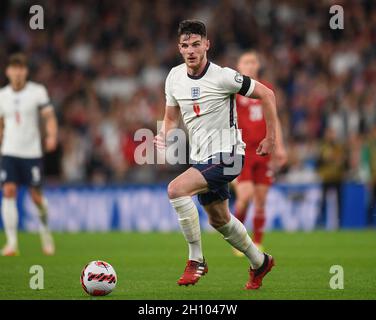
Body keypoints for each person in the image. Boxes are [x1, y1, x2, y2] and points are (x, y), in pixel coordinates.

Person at [154, 20, 278, 289]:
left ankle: (196, 260)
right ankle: (260, 262)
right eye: (185, 45)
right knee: (219, 219)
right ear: (179, 48)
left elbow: (267, 94)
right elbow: (171, 118)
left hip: (229, 156)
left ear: (207, 45)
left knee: (176, 189)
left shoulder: (223, 76)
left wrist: (271, 137)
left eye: (196, 44)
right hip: (202, 159)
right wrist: (164, 134)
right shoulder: (174, 77)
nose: (191, 50)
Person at [0, 53, 57, 256]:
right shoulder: (2, 95)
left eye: (21, 68)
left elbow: (48, 116)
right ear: (8, 71)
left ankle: (46, 234)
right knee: (8, 191)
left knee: (36, 196)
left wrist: (51, 135)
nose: (17, 72)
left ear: (26, 71)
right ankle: (12, 243)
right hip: (9, 152)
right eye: (14, 68)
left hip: (31, 152)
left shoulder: (37, 92)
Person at [233, 51, 287, 255]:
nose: (250, 65)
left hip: (263, 151)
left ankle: (257, 242)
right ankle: (238, 239)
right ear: (239, 66)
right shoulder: (233, 90)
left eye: (253, 61)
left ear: (258, 66)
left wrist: (279, 146)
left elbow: (274, 120)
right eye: (246, 62)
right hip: (242, 151)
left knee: (261, 200)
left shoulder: (265, 89)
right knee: (245, 196)